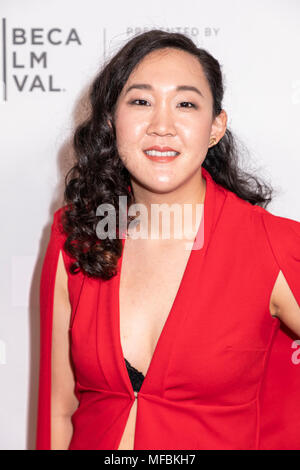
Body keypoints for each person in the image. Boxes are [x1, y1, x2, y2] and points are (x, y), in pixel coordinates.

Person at [36, 29, 300, 450]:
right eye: (141, 101)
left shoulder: (271, 243)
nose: (162, 126)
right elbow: (60, 409)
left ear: (215, 127)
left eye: (186, 104)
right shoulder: (76, 235)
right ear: (111, 120)